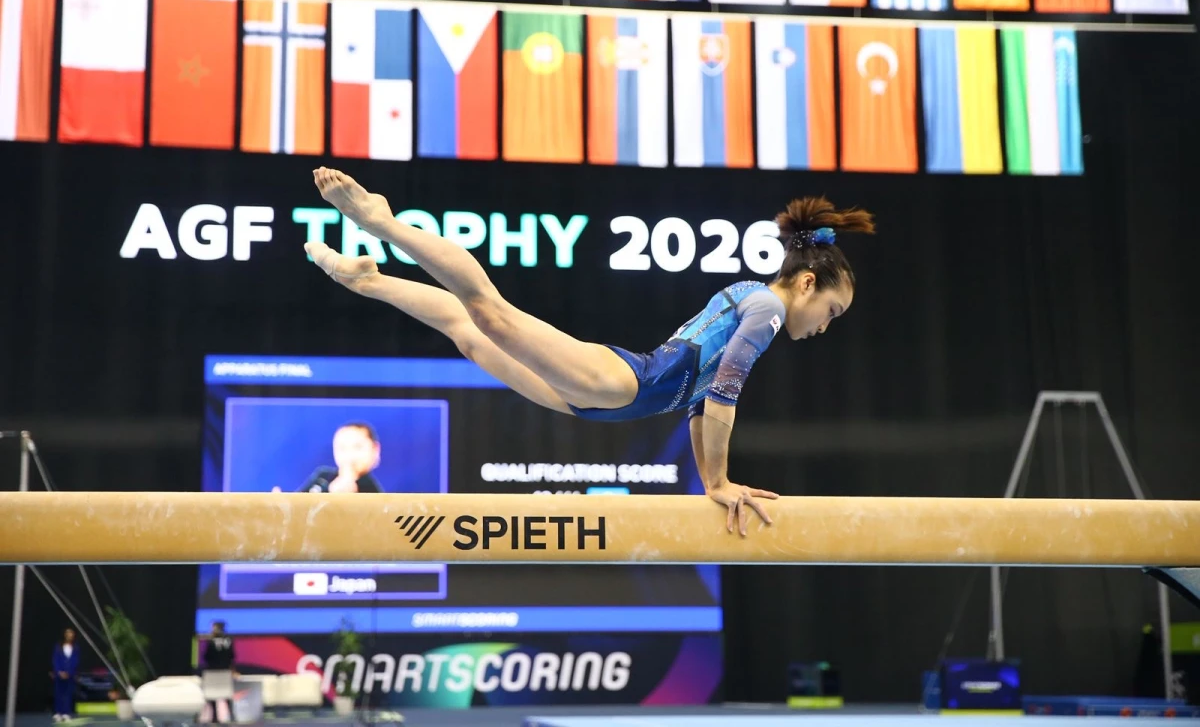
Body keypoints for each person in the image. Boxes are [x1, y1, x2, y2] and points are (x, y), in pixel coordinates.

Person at [303, 168, 875, 535]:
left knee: (470, 335)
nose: (826, 326)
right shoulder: (767, 308)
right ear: (806, 284)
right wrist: (723, 483)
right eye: (831, 311)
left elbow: (703, 405)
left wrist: (712, 483)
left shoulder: (750, 297)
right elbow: (725, 393)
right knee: (488, 312)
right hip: (621, 383)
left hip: (601, 401)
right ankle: (382, 221)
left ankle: (368, 280)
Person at [294, 422, 384, 494]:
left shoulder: (371, 490)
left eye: (357, 447)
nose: (349, 454)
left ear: (375, 449)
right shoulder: (323, 477)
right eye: (342, 448)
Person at [50, 628, 79, 722]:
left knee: (68, 694)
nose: (69, 636)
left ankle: (66, 713)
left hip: (69, 674)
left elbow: (75, 661)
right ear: (64, 635)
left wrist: (69, 672)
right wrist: (59, 672)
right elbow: (55, 660)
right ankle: (58, 712)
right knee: (58, 693)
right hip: (59, 674)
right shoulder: (58, 646)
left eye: (71, 634)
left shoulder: (75, 647)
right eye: (68, 634)